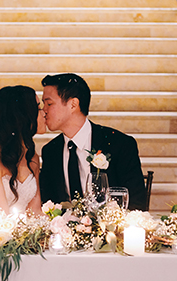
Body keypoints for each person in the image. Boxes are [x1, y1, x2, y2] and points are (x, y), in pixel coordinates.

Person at [39, 73, 147, 211]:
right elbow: (50, 203)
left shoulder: (119, 144)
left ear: (73, 104)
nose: (44, 111)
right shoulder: (50, 151)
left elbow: (136, 202)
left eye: (49, 103)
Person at [0, 85, 46, 214]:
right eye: (38, 108)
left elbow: (35, 211)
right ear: (22, 116)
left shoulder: (32, 157)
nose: (44, 112)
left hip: (25, 232)